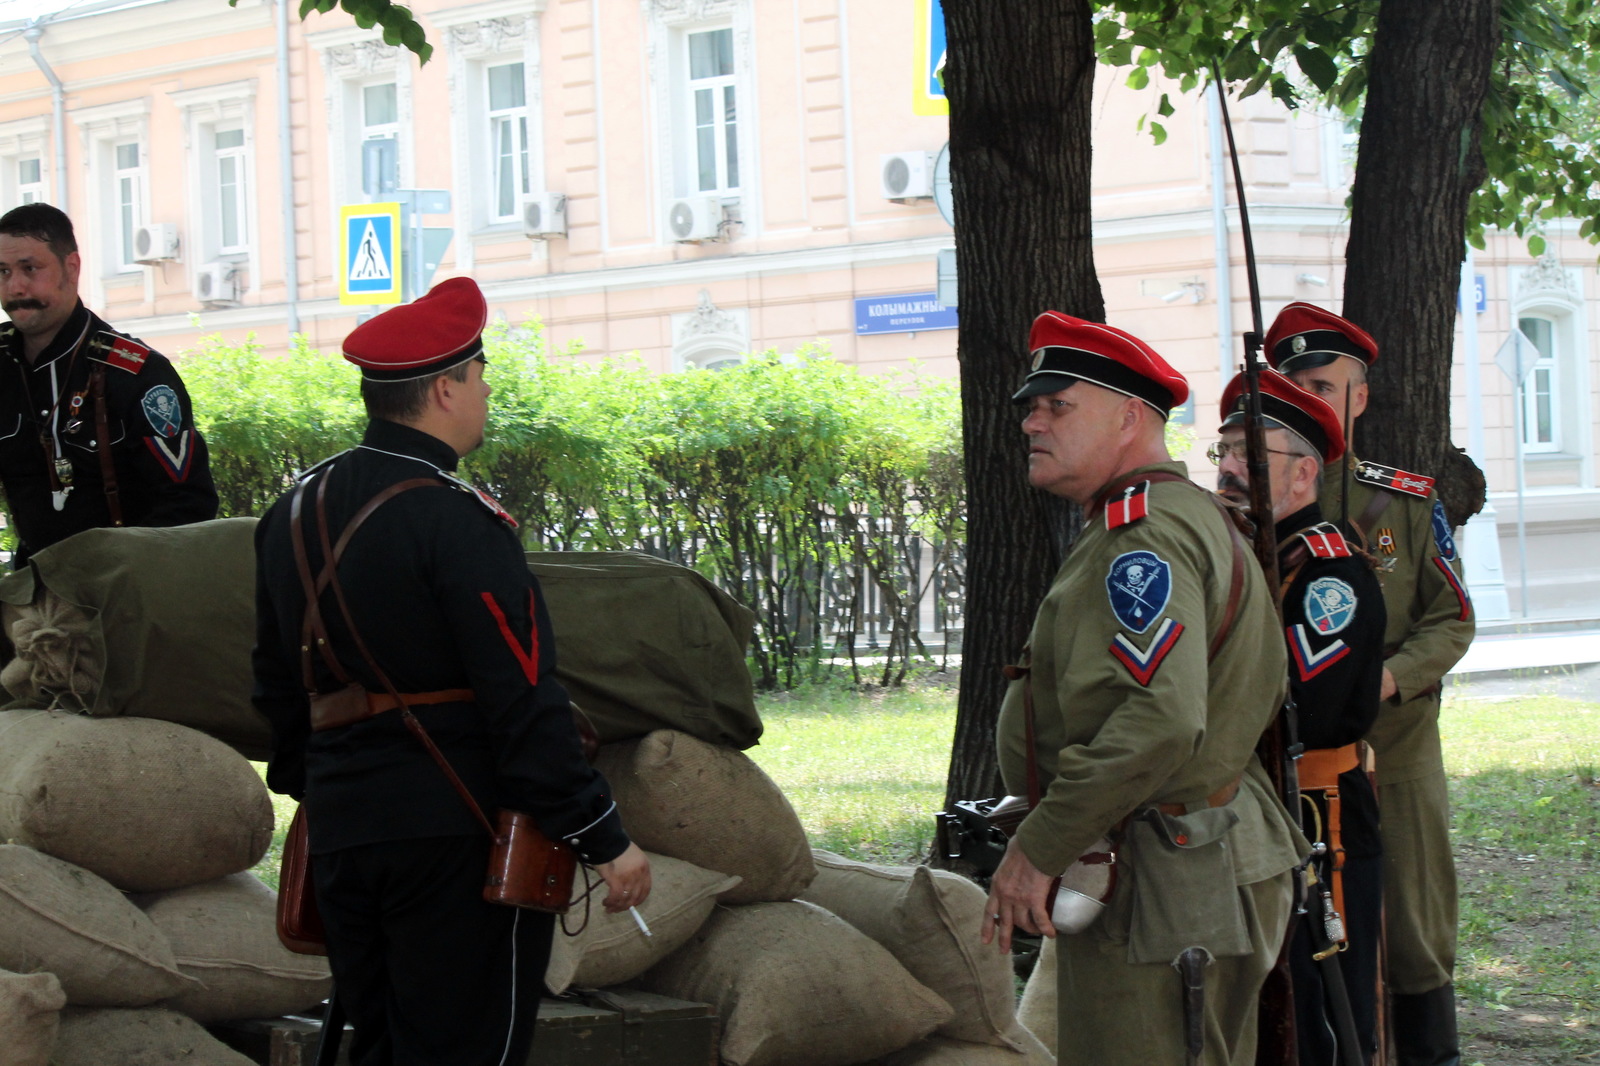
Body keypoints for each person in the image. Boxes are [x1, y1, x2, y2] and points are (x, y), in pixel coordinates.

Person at [252, 277, 651, 1066]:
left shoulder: (290, 510)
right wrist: (604, 837)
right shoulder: (455, 518)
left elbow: (275, 682)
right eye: (478, 375)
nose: (487, 389)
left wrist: (328, 787)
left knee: (379, 1049)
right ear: (443, 389)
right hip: (456, 836)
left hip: (343, 828)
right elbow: (524, 699)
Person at [984, 311, 1305, 1066]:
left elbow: (1159, 716)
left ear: (1130, 417)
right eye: (1031, 406)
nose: (1033, 421)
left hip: (1165, 876)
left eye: (1057, 405)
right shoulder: (1173, 514)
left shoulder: (1144, 533)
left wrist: (1041, 846)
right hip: (1181, 857)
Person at [1266, 302, 1474, 1066]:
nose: (1307, 398)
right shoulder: (1253, 506)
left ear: (1359, 396)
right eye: (1291, 384)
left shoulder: (1405, 503)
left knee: (1415, 927)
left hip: (1396, 748)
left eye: (1323, 383)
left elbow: (1453, 620)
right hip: (1293, 758)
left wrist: (1384, 679)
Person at [1215, 368, 1386, 1066]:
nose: (1228, 469)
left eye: (1248, 455)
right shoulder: (1247, 558)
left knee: (1323, 1006)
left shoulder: (1326, 578)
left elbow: (1297, 713)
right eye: (1222, 451)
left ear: (1304, 475)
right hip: (1255, 811)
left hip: (1320, 819)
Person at [0, 203, 216, 566]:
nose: (15, 286)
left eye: (30, 268)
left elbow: (188, 506)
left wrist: (127, 580)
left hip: (127, 593)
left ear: (71, 268)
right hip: (32, 588)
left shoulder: (135, 373)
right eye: (3, 271)